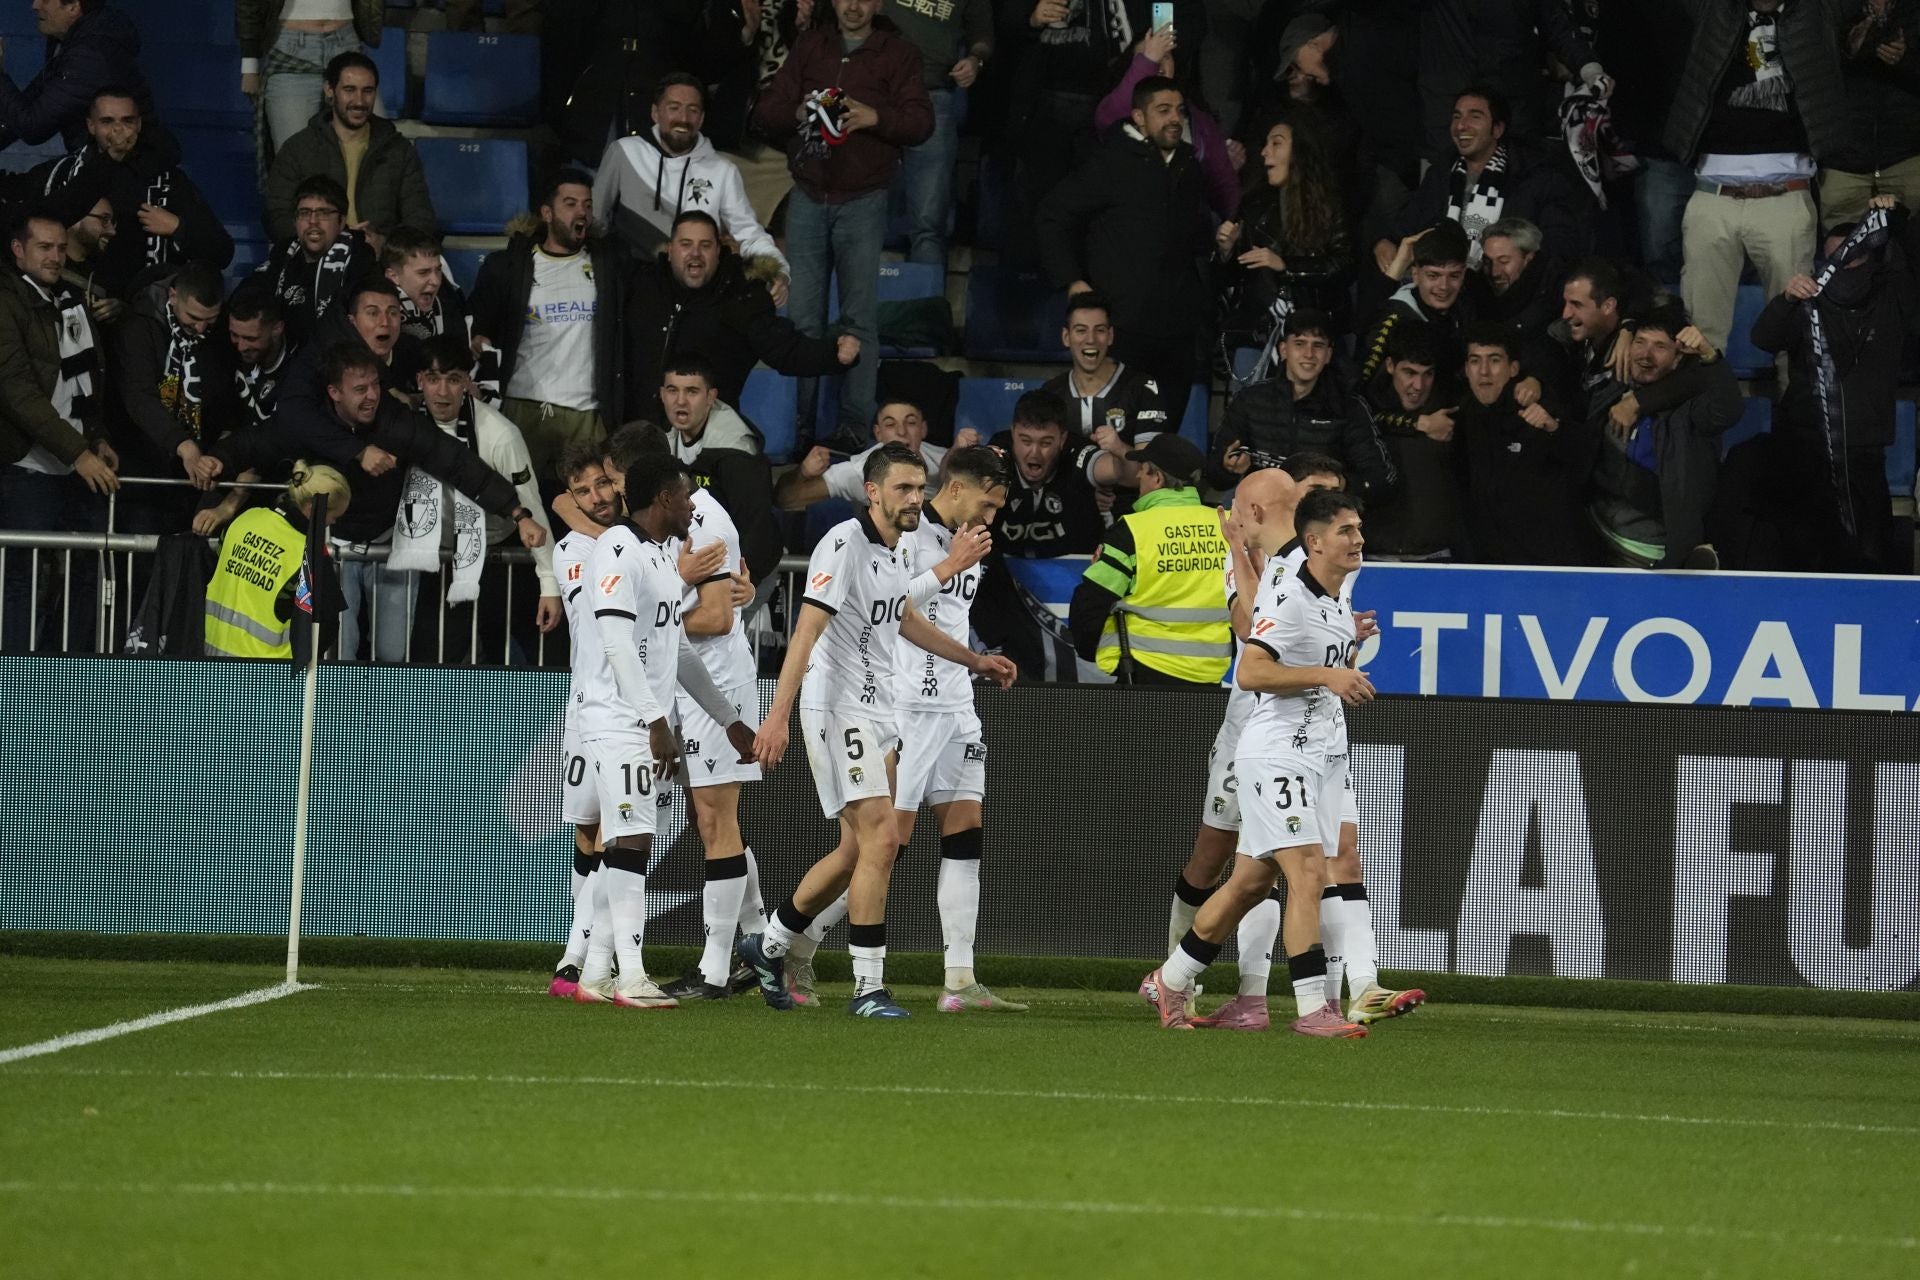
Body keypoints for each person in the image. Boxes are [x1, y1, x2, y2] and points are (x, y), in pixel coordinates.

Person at [737, 442, 1016, 1019]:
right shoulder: (845, 545)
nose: (915, 499)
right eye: (903, 489)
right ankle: (868, 988)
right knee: (884, 841)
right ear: (872, 492)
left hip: (880, 710)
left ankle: (768, 946)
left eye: (919, 488)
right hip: (839, 708)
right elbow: (807, 633)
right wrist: (777, 715)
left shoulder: (894, 551)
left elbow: (905, 620)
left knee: (855, 850)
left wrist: (974, 660)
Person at [1140, 487, 1372, 1038]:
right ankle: (1315, 1008)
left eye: (1359, 529)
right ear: (1313, 542)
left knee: (1247, 883)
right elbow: (1252, 672)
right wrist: (1328, 675)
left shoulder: (1334, 600)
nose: (1358, 540)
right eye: (1345, 531)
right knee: (1309, 873)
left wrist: (1348, 649)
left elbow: (1314, 663)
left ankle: (1171, 979)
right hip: (1275, 755)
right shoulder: (1292, 596)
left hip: (1313, 756)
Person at [206, 342, 541, 661]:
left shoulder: (394, 421)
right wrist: (217, 459)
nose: (371, 397)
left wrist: (517, 512)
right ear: (334, 393)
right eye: (360, 389)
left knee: (394, 653)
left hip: (386, 546)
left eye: (375, 386)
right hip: (332, 551)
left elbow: (456, 461)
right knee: (338, 650)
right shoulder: (308, 425)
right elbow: (254, 442)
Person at [574, 441, 757, 1008]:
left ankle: (595, 974)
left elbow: (674, 650)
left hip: (640, 719)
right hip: (618, 719)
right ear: (663, 498)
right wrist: (656, 722)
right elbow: (616, 643)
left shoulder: (656, 556)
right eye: (684, 498)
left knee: (628, 842)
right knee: (631, 840)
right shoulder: (618, 551)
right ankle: (631, 977)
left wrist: (728, 720)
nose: (691, 507)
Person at [751, 0, 933, 447]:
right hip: (809, 194)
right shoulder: (812, 45)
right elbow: (766, 112)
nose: (854, 5)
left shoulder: (898, 52)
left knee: (858, 320)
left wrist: (874, 117)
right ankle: (799, 422)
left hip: (864, 198)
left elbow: (921, 122)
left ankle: (854, 424)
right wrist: (800, 110)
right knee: (802, 321)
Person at [1750, 195, 1920, 572]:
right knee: (1801, 550)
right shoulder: (1809, 302)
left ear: (1873, 260)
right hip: (1803, 446)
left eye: (1851, 256)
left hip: (1863, 452)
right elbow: (1762, 339)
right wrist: (1785, 299)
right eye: (1832, 259)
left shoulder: (1891, 301)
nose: (1841, 266)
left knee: (1868, 553)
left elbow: (1906, 262)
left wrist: (1893, 218)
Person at [1666, 0, 1844, 356]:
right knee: (1698, 333)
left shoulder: (1815, 12)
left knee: (1794, 330)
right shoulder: (1713, 10)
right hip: (1712, 194)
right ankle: (1702, 408)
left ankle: (1793, 409)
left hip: (1786, 194)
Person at [1037, 75, 1213, 424]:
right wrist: (1072, 280)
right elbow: (1052, 215)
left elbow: (1190, 237)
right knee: (1115, 439)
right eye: (1163, 110)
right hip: (1124, 326)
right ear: (1139, 117)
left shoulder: (1189, 166)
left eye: (1179, 110)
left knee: (1162, 443)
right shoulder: (1110, 163)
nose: (1175, 118)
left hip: (1177, 331)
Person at [0, 206, 117, 653]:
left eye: (60, 248)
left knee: (87, 573)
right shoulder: (7, 300)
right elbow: (16, 393)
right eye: (44, 248)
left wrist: (98, 437)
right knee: (22, 581)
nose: (55, 257)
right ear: (18, 251)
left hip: (76, 464)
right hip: (27, 467)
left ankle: (68, 680)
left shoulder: (69, 299)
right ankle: (15, 684)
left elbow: (87, 381)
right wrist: (79, 452)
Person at [404, 333, 561, 664]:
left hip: (500, 559)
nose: (442, 391)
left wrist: (549, 584)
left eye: (453, 379)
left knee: (512, 661)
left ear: (467, 382)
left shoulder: (501, 436)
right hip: (446, 559)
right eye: (433, 379)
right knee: (426, 665)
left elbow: (533, 513)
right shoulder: (406, 426)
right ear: (420, 381)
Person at [470, 170, 629, 487]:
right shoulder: (509, 266)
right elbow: (478, 331)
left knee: (590, 512)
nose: (581, 212)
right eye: (570, 203)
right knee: (521, 510)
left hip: (587, 411)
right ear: (547, 213)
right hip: (525, 404)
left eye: (587, 204)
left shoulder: (609, 264)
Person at [624, 210, 853, 412]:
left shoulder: (741, 295)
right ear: (670, 250)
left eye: (705, 245)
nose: (695, 253)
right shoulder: (642, 285)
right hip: (642, 433)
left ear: (718, 251)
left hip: (710, 439)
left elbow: (785, 350)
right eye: (686, 244)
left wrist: (834, 354)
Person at [594, 72, 790, 286]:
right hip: (632, 281)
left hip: (697, 287)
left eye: (693, 110)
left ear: (702, 118)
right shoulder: (623, 152)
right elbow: (595, 220)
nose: (684, 119)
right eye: (674, 108)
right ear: (655, 113)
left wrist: (776, 270)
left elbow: (748, 233)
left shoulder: (723, 170)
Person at [35, 89, 233, 298]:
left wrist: (178, 227)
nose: (118, 130)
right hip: (74, 304)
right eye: (107, 121)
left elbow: (222, 252)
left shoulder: (167, 181)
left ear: (139, 124)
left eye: (127, 121)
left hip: (146, 312)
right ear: (91, 126)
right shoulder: (62, 174)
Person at [1069, 434, 1230, 687]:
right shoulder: (1228, 525)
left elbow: (1091, 603)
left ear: (1157, 478)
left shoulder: (1133, 531)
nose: (1136, 477)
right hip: (1211, 677)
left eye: (1142, 471)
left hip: (1144, 675)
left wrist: (1088, 650)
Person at [1373, 86, 1586, 276]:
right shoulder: (1441, 174)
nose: (1461, 126)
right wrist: (1386, 242)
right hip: (1444, 290)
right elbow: (1406, 227)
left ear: (1497, 129)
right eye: (1456, 117)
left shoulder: (1538, 178)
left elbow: (1559, 247)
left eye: (1475, 116)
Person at [1591, 304, 1740, 569]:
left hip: (1651, 554)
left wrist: (1709, 355)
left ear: (1677, 358)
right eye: (1640, 342)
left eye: (1660, 347)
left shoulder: (1689, 413)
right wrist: (1626, 327)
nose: (1645, 355)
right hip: (1594, 537)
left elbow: (1726, 409)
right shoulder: (1609, 391)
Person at [1211, 309, 1398, 498]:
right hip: (1261, 517)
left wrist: (1340, 483)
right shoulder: (1250, 400)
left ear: (1328, 355)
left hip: (1320, 520)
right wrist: (1227, 468)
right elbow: (1213, 473)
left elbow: (1381, 480)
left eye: (1318, 345)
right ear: (1283, 350)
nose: (1309, 354)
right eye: (1299, 344)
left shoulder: (1350, 408)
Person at [1455, 323, 1600, 565]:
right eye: (1475, 361)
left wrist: (1555, 429)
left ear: (1513, 369)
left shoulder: (1541, 411)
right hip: (1495, 566)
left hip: (1553, 565)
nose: (1484, 372)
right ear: (1466, 369)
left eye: (1494, 360)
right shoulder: (1463, 416)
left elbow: (1586, 461)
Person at [1215, 112, 1353, 364]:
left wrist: (1286, 266)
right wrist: (1226, 251)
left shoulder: (1330, 204)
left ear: (1299, 150)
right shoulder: (1253, 203)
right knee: (1252, 402)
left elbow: (1344, 264)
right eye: (1266, 144)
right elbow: (1234, 279)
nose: (1265, 152)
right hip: (1257, 334)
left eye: (1276, 143)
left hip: (1314, 333)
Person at [263, 51, 434, 252]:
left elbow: (421, 220)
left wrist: (384, 244)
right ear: (329, 90)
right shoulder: (298, 148)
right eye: (349, 90)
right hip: (315, 259)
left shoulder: (399, 150)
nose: (359, 101)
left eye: (368, 91)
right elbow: (276, 217)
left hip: (378, 265)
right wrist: (326, 237)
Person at [106, 262, 225, 533]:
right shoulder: (138, 326)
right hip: (141, 468)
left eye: (211, 320)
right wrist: (183, 445)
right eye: (193, 318)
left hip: (193, 476)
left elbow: (222, 397)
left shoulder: (216, 335)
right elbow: (139, 398)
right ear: (172, 295)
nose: (201, 328)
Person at [202, 461, 352, 660]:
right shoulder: (307, 553)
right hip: (269, 676)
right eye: (333, 516)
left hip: (213, 660)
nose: (332, 523)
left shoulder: (245, 519)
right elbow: (326, 626)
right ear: (313, 508)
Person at [1093, 23, 1240, 220]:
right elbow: (1115, 112)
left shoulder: (1198, 117)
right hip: (1128, 227)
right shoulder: (1112, 110)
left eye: (1166, 57)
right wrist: (1148, 60)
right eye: (1146, 57)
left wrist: (1232, 223)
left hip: (1186, 229)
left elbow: (1222, 181)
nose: (1158, 64)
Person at [890, 0, 992, 266]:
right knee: (855, 212)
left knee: (928, 224)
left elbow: (982, 34)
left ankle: (926, 305)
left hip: (933, 96)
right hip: (873, 91)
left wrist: (975, 60)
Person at [1040, 291, 1169, 498]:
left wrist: (1119, 449)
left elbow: (1150, 474)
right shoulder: (1050, 393)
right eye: (1081, 330)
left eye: (1099, 330)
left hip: (1127, 510)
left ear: (1110, 336)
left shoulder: (1143, 388)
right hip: (1064, 509)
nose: (1090, 339)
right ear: (1066, 337)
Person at [1358, 324, 1459, 561]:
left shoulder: (1450, 414)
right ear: (1390, 366)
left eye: (1428, 374)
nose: (1418, 386)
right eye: (1410, 372)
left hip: (1437, 556)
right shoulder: (1363, 413)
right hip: (1374, 556)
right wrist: (1416, 422)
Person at [0, 0, 154, 152]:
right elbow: (30, 105)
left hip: (124, 169)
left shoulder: (91, 55)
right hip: (100, 163)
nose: (35, 5)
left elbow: (33, 127)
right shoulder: (73, 41)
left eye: (45, 0)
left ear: (73, 6)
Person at [238, 0, 386, 152]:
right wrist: (249, 65)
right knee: (296, 159)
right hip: (291, 51)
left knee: (379, 149)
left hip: (346, 42)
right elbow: (248, 5)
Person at [1823, 0, 1920, 227]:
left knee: (1909, 253)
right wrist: (1848, 50)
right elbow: (1811, 70)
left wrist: (1906, 60)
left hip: (1907, 156)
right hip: (1843, 159)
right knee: (1844, 254)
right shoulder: (1831, 8)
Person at [776, 398, 966, 510]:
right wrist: (803, 473)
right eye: (890, 424)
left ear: (923, 429)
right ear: (878, 433)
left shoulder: (945, 460)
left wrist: (959, 459)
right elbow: (786, 499)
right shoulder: (858, 471)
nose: (901, 432)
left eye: (911, 423)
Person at [257, 174, 376, 347]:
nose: (313, 221)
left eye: (323, 213)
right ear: (296, 221)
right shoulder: (282, 257)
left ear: (341, 221)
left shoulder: (360, 263)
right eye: (305, 213)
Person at [984, 390, 1104, 557]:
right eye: (1025, 441)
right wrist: (955, 452)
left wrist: (1117, 451)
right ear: (1012, 433)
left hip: (1071, 568)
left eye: (1046, 443)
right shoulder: (997, 454)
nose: (1034, 453)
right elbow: (958, 477)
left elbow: (1114, 471)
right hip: (1001, 569)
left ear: (1062, 439)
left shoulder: (1075, 451)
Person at [1358, 220, 1472, 390]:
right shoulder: (1394, 319)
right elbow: (1360, 395)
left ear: (1463, 274)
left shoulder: (1465, 308)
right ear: (1415, 274)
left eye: (1454, 276)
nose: (1444, 286)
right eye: (1433, 276)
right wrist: (1415, 419)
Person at [659, 355, 761, 463]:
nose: (680, 401)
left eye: (692, 392)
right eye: (673, 391)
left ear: (710, 397)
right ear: (662, 394)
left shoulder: (733, 448)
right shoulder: (661, 437)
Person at [382, 225, 468, 348]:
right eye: (423, 272)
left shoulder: (447, 309)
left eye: (438, 270)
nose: (436, 281)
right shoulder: (381, 320)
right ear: (393, 276)